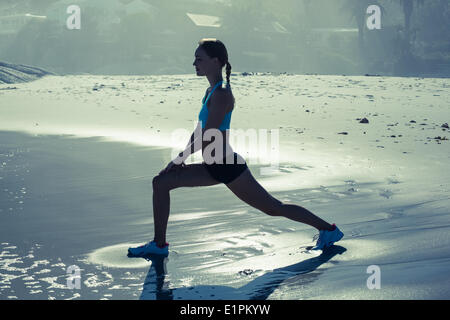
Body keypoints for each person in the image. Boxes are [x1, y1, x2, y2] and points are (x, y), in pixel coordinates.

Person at [128, 39, 343, 257]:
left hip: (227, 165)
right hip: (212, 165)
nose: (194, 63)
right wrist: (181, 157)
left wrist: (179, 159)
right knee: (160, 183)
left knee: (273, 208)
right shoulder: (211, 91)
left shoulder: (221, 94)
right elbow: (199, 131)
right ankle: (159, 245)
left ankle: (328, 230)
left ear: (216, 61)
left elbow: (209, 134)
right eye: (195, 58)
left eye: (199, 59)